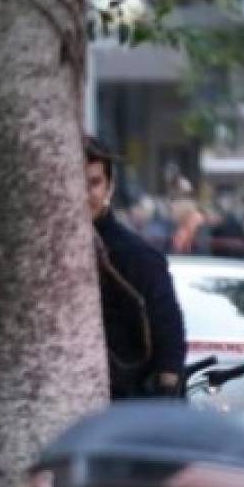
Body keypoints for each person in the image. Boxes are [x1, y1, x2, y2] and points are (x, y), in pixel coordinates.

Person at [85, 137, 186, 399]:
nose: (84, 194)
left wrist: (166, 394)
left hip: (126, 401)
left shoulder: (138, 256)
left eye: (93, 183)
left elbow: (168, 333)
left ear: (110, 186)